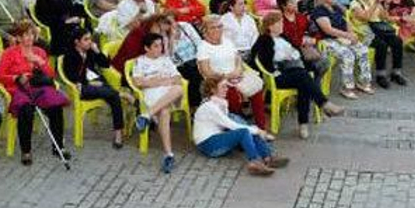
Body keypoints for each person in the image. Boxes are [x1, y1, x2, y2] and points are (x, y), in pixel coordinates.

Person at [249, 12, 343, 140]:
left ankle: (307, 120)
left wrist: (293, 54)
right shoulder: (264, 39)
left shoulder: (283, 37)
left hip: (293, 71)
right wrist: (282, 59)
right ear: (270, 26)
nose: (282, 25)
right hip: (276, 76)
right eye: (279, 23)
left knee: (303, 82)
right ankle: (317, 110)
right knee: (303, 77)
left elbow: (297, 51)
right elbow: (258, 59)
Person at [0, 23, 69, 165]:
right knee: (26, 110)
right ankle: (26, 151)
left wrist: (39, 62)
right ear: (19, 37)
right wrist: (15, 77)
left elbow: (51, 75)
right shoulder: (9, 53)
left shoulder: (39, 52)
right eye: (26, 35)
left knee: (56, 108)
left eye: (32, 34)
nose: (30, 37)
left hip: (39, 88)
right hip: (18, 89)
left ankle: (58, 145)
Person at [192, 78, 288, 176]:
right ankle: (254, 162)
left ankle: (268, 158)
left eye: (227, 86)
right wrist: (258, 130)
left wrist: (255, 130)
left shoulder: (219, 103)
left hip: (216, 138)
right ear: (213, 90)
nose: (227, 89)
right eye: (223, 87)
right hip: (208, 145)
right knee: (244, 132)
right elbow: (231, 125)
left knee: (250, 130)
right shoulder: (209, 107)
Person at [128, 33, 184, 172]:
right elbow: (138, 82)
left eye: (161, 45)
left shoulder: (166, 60)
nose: (160, 49)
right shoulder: (140, 62)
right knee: (164, 112)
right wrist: (160, 81)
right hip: (152, 94)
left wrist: (154, 81)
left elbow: (177, 78)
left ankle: (146, 116)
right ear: (147, 48)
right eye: (156, 46)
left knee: (178, 88)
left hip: (169, 93)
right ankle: (168, 154)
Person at [60, 30, 126, 149]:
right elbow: (71, 76)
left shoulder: (90, 51)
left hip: (96, 84)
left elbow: (106, 64)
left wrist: (97, 51)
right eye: (86, 39)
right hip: (81, 88)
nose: (89, 42)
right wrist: (89, 82)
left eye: (90, 39)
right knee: (113, 95)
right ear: (77, 42)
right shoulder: (69, 55)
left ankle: (118, 134)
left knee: (113, 97)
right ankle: (121, 94)